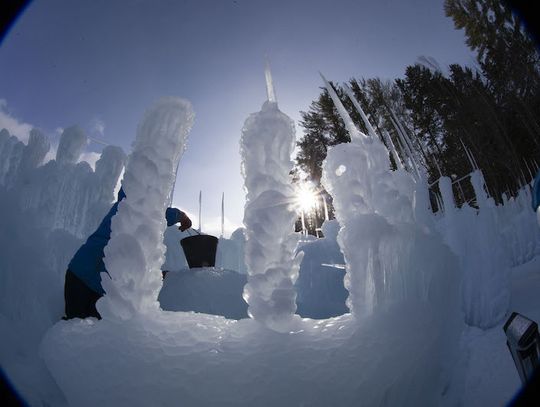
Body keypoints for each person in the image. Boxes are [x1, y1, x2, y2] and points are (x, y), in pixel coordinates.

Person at [63, 187, 192, 319]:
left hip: (99, 286)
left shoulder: (135, 215)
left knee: (88, 332)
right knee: (75, 327)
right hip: (81, 276)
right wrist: (180, 215)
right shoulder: (127, 207)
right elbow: (156, 213)